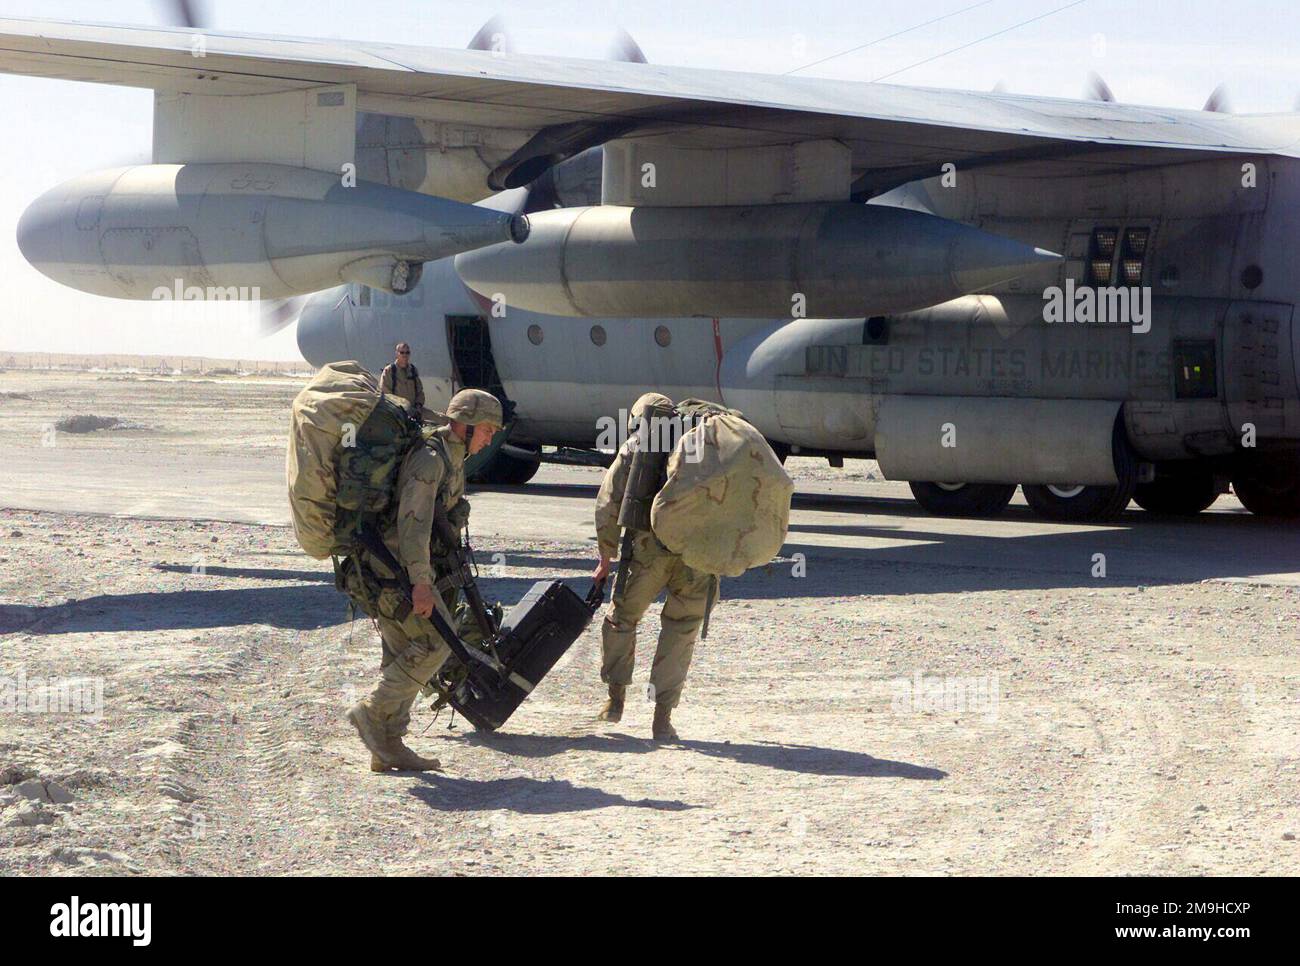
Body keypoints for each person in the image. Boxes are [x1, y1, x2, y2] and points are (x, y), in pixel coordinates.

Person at [344, 389, 502, 772]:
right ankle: (371, 712)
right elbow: (412, 525)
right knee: (435, 644)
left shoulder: (452, 457)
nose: (489, 438)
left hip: (399, 569)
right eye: (485, 430)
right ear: (464, 425)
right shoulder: (431, 461)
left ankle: (387, 746)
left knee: (401, 655)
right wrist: (420, 583)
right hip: (395, 570)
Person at [592, 392, 714, 742]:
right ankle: (662, 719)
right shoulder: (703, 446)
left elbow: (608, 502)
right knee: (681, 629)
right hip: (695, 553)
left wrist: (605, 556)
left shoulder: (638, 445)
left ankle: (615, 701)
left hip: (647, 549)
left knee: (622, 620)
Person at [380, 342, 425, 418]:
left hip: (414, 410)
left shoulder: (413, 370)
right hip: (396, 412)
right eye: (402, 352)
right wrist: (400, 408)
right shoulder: (390, 371)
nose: (405, 355)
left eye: (407, 352)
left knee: (441, 419)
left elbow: (420, 392)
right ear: (397, 354)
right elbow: (385, 393)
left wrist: (418, 406)